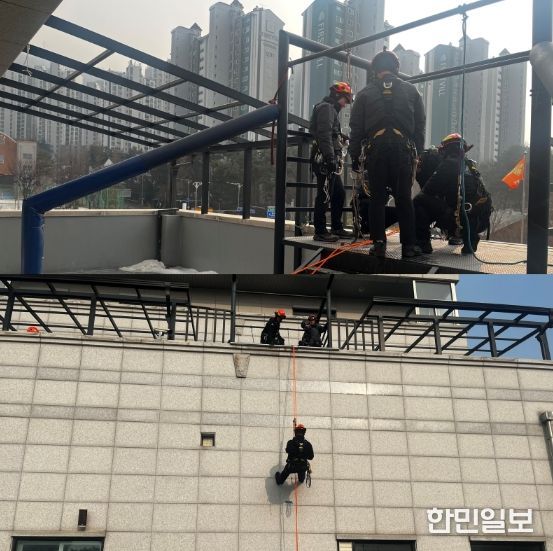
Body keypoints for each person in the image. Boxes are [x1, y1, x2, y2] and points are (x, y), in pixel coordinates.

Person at [349, 49, 426, 259]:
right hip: (403, 151)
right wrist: (417, 154)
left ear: (376, 70)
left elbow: (356, 129)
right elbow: (420, 126)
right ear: (396, 68)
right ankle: (408, 246)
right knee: (404, 198)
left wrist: (354, 157)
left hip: (376, 151)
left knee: (377, 199)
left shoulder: (364, 94)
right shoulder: (411, 91)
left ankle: (379, 244)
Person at [414, 133, 492, 255]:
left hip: (456, 219)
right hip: (478, 222)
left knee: (418, 200)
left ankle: (423, 244)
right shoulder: (470, 165)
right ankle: (469, 239)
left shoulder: (449, 164)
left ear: (447, 150)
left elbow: (427, 191)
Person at [310, 82, 354, 243]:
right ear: (337, 96)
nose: (345, 104)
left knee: (338, 193)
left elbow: (329, 132)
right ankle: (320, 231)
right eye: (345, 100)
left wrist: (340, 136)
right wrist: (330, 157)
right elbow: (324, 134)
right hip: (325, 159)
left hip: (327, 158)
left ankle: (336, 227)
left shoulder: (328, 109)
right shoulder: (327, 108)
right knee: (324, 194)